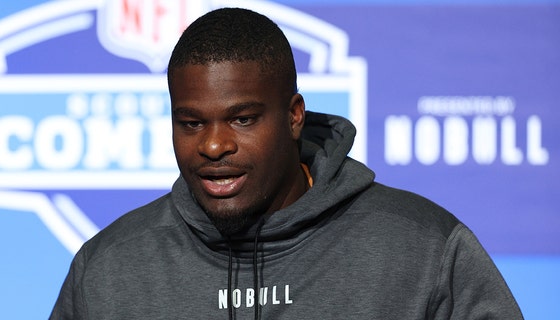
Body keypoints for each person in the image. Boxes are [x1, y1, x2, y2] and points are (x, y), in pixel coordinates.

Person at [50, 7, 523, 319]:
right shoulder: (108, 269)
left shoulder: (424, 251)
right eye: (191, 123)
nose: (213, 146)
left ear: (294, 116)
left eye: (242, 119)